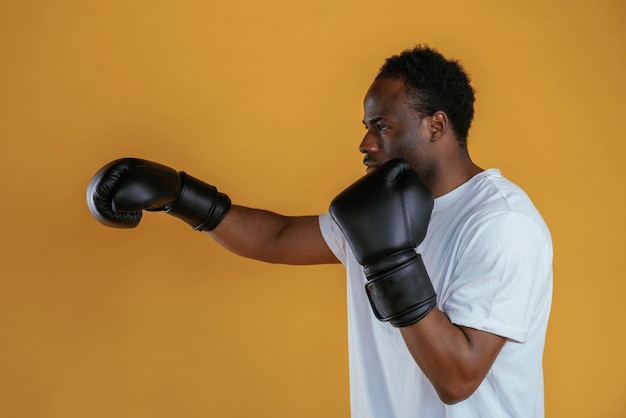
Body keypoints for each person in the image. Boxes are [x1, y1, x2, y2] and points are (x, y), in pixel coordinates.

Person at [86, 45, 553, 417]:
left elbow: (458, 379)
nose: (365, 143)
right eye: (367, 127)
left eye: (381, 126)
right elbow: (276, 238)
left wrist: (388, 260)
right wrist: (181, 195)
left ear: (436, 125)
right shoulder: (386, 207)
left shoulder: (501, 223)